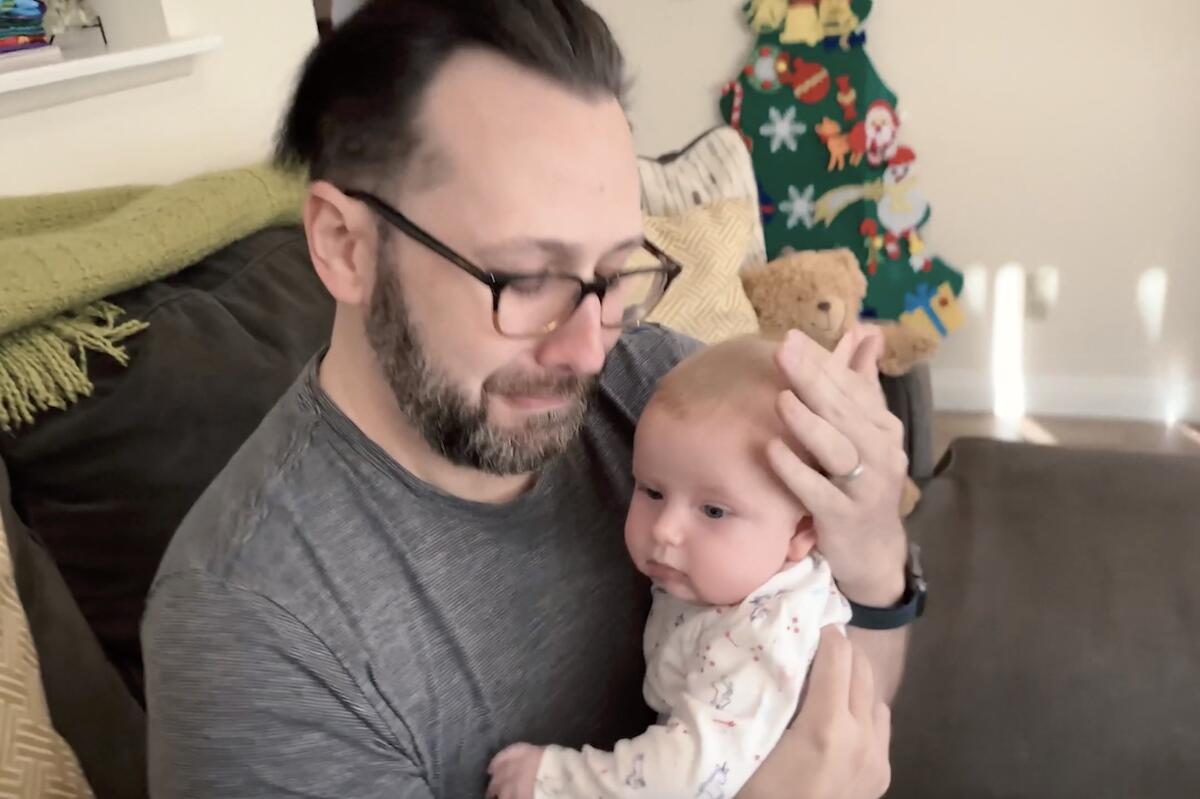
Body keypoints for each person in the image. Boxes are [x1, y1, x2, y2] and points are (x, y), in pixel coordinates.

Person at [141, 1, 914, 797]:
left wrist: (875, 553)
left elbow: (849, 730)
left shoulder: (665, 397)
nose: (587, 349)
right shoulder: (257, 630)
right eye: (525, 278)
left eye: (613, 275)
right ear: (346, 246)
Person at [486, 336, 859, 799]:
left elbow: (689, 777)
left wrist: (554, 779)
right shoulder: (734, 578)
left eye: (715, 511)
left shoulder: (766, 633)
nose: (665, 530)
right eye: (652, 491)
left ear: (801, 533)